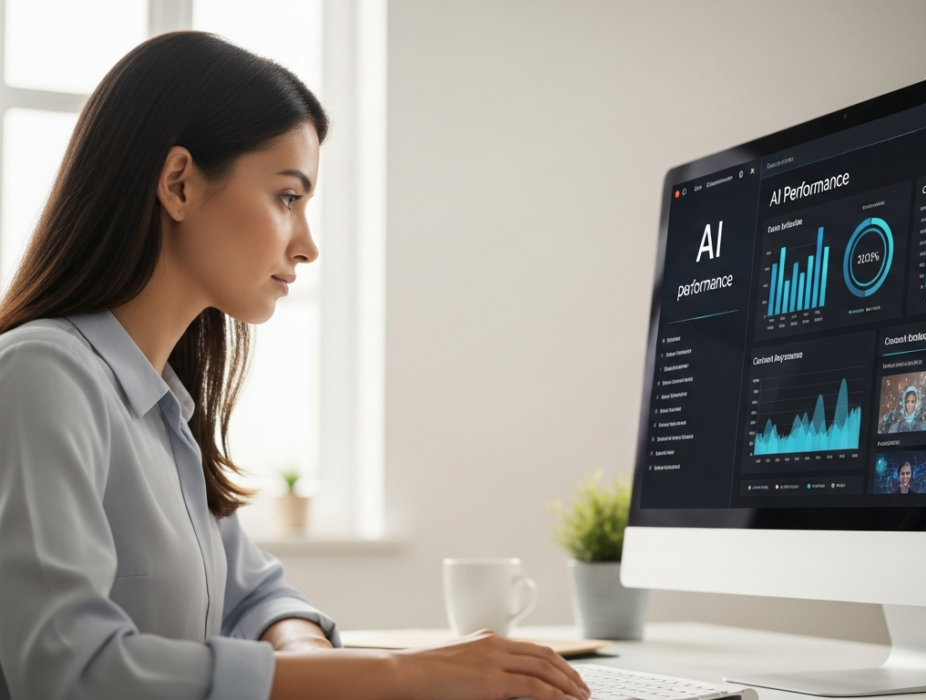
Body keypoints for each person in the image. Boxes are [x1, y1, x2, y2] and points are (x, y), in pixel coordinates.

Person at [0, 32, 589, 700]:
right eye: (287, 198)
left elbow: (256, 596)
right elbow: (65, 669)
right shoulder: (42, 375)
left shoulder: (165, 408)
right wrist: (393, 675)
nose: (306, 245)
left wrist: (312, 658)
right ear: (179, 183)